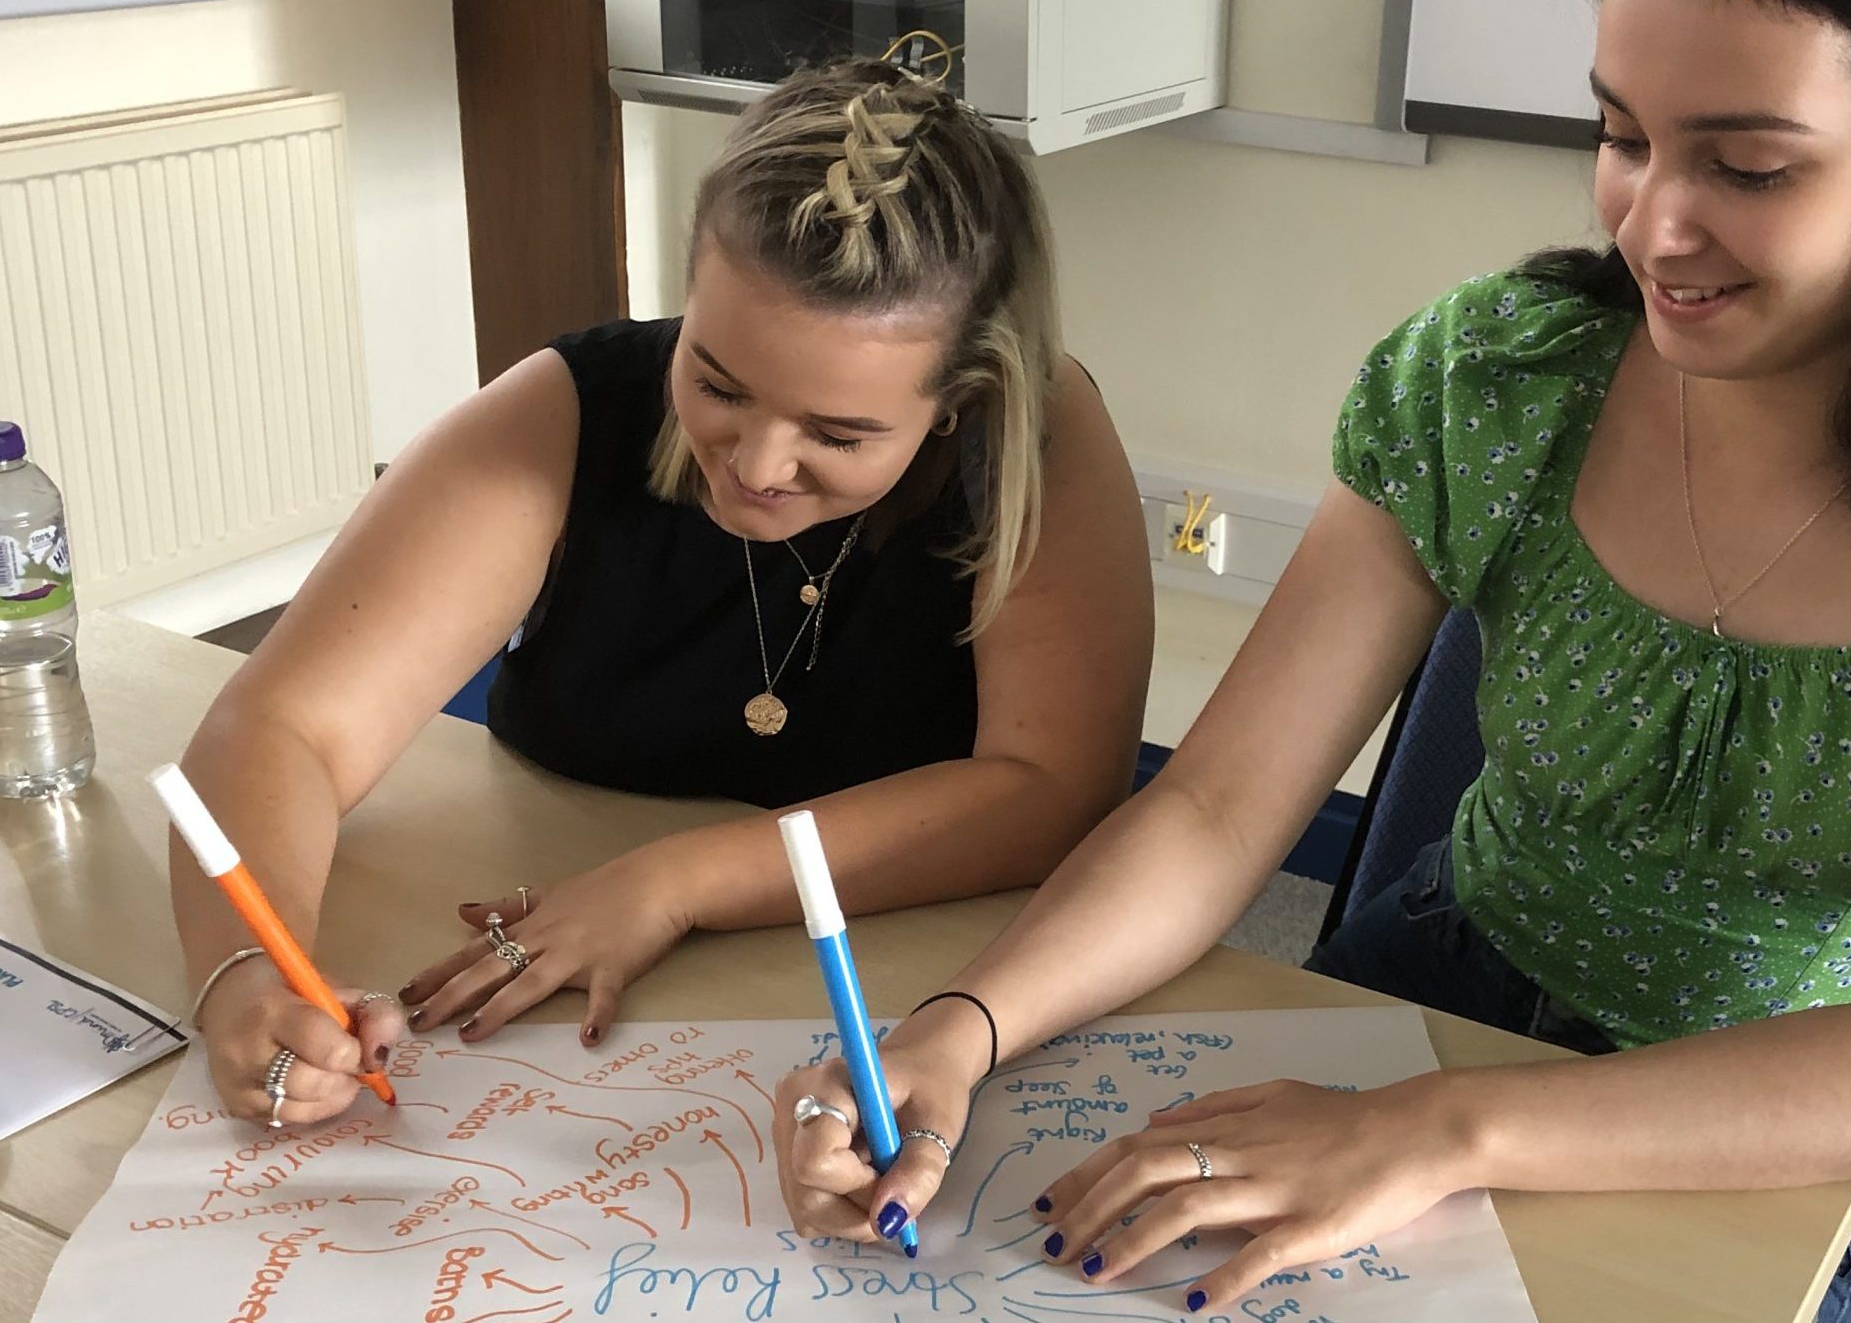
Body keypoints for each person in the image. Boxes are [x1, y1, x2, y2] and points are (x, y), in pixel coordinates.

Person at [770, 0, 1851, 1318]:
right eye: (1622, 135)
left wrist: (1440, 1132)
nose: (1652, 223)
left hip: (1760, 1105)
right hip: (1426, 995)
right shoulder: (1500, 373)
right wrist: (965, 1024)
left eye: (1747, 164)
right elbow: (1221, 805)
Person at [168, 59, 1153, 1132]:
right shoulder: (567, 410)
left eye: (838, 433)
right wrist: (244, 974)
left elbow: (1056, 786)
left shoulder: (1032, 430)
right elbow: (286, 724)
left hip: (901, 993)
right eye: (717, 382)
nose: (759, 464)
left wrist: (675, 883)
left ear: (960, 397)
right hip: (554, 1012)